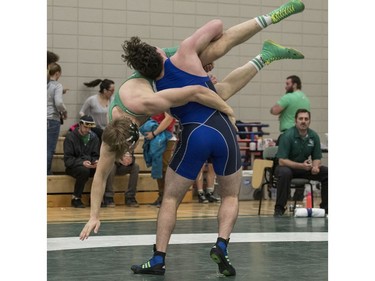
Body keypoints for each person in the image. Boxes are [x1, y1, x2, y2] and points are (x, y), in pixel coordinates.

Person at [80, 0, 305, 275]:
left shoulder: (146, 103)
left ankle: (159, 258)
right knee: (217, 76)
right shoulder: (114, 135)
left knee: (171, 197)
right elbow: (100, 177)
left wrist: (227, 109)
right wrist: (93, 214)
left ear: (135, 135)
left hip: (184, 109)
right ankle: (265, 47)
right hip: (217, 128)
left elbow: (193, 93)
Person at [273, 109, 328, 217]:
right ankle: (279, 209)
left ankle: (326, 209)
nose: (303, 121)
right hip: (286, 167)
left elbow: (317, 157)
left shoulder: (314, 136)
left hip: (304, 168)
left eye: (306, 119)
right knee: (285, 173)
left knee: (327, 173)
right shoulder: (287, 135)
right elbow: (282, 160)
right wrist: (301, 166)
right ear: (295, 121)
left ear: (310, 121)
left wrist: (316, 166)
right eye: (301, 119)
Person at [140, 112, 176, 207]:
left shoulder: (166, 100)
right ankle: (161, 196)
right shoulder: (156, 100)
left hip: (165, 136)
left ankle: (166, 197)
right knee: (158, 166)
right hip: (157, 136)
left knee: (164, 167)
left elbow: (169, 119)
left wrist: (154, 133)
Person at [64, 116, 99, 208]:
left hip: (89, 165)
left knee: (101, 170)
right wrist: (82, 162)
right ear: (80, 125)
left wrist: (95, 162)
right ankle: (76, 198)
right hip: (73, 167)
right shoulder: (70, 137)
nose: (87, 129)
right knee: (83, 170)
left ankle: (95, 198)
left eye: (89, 128)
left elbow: (95, 155)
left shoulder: (94, 138)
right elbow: (68, 160)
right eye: (85, 127)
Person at [47, 62, 67, 175]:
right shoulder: (57, 85)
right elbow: (58, 103)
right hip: (51, 119)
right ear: (57, 73)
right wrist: (64, 111)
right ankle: (46, 173)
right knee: (49, 148)